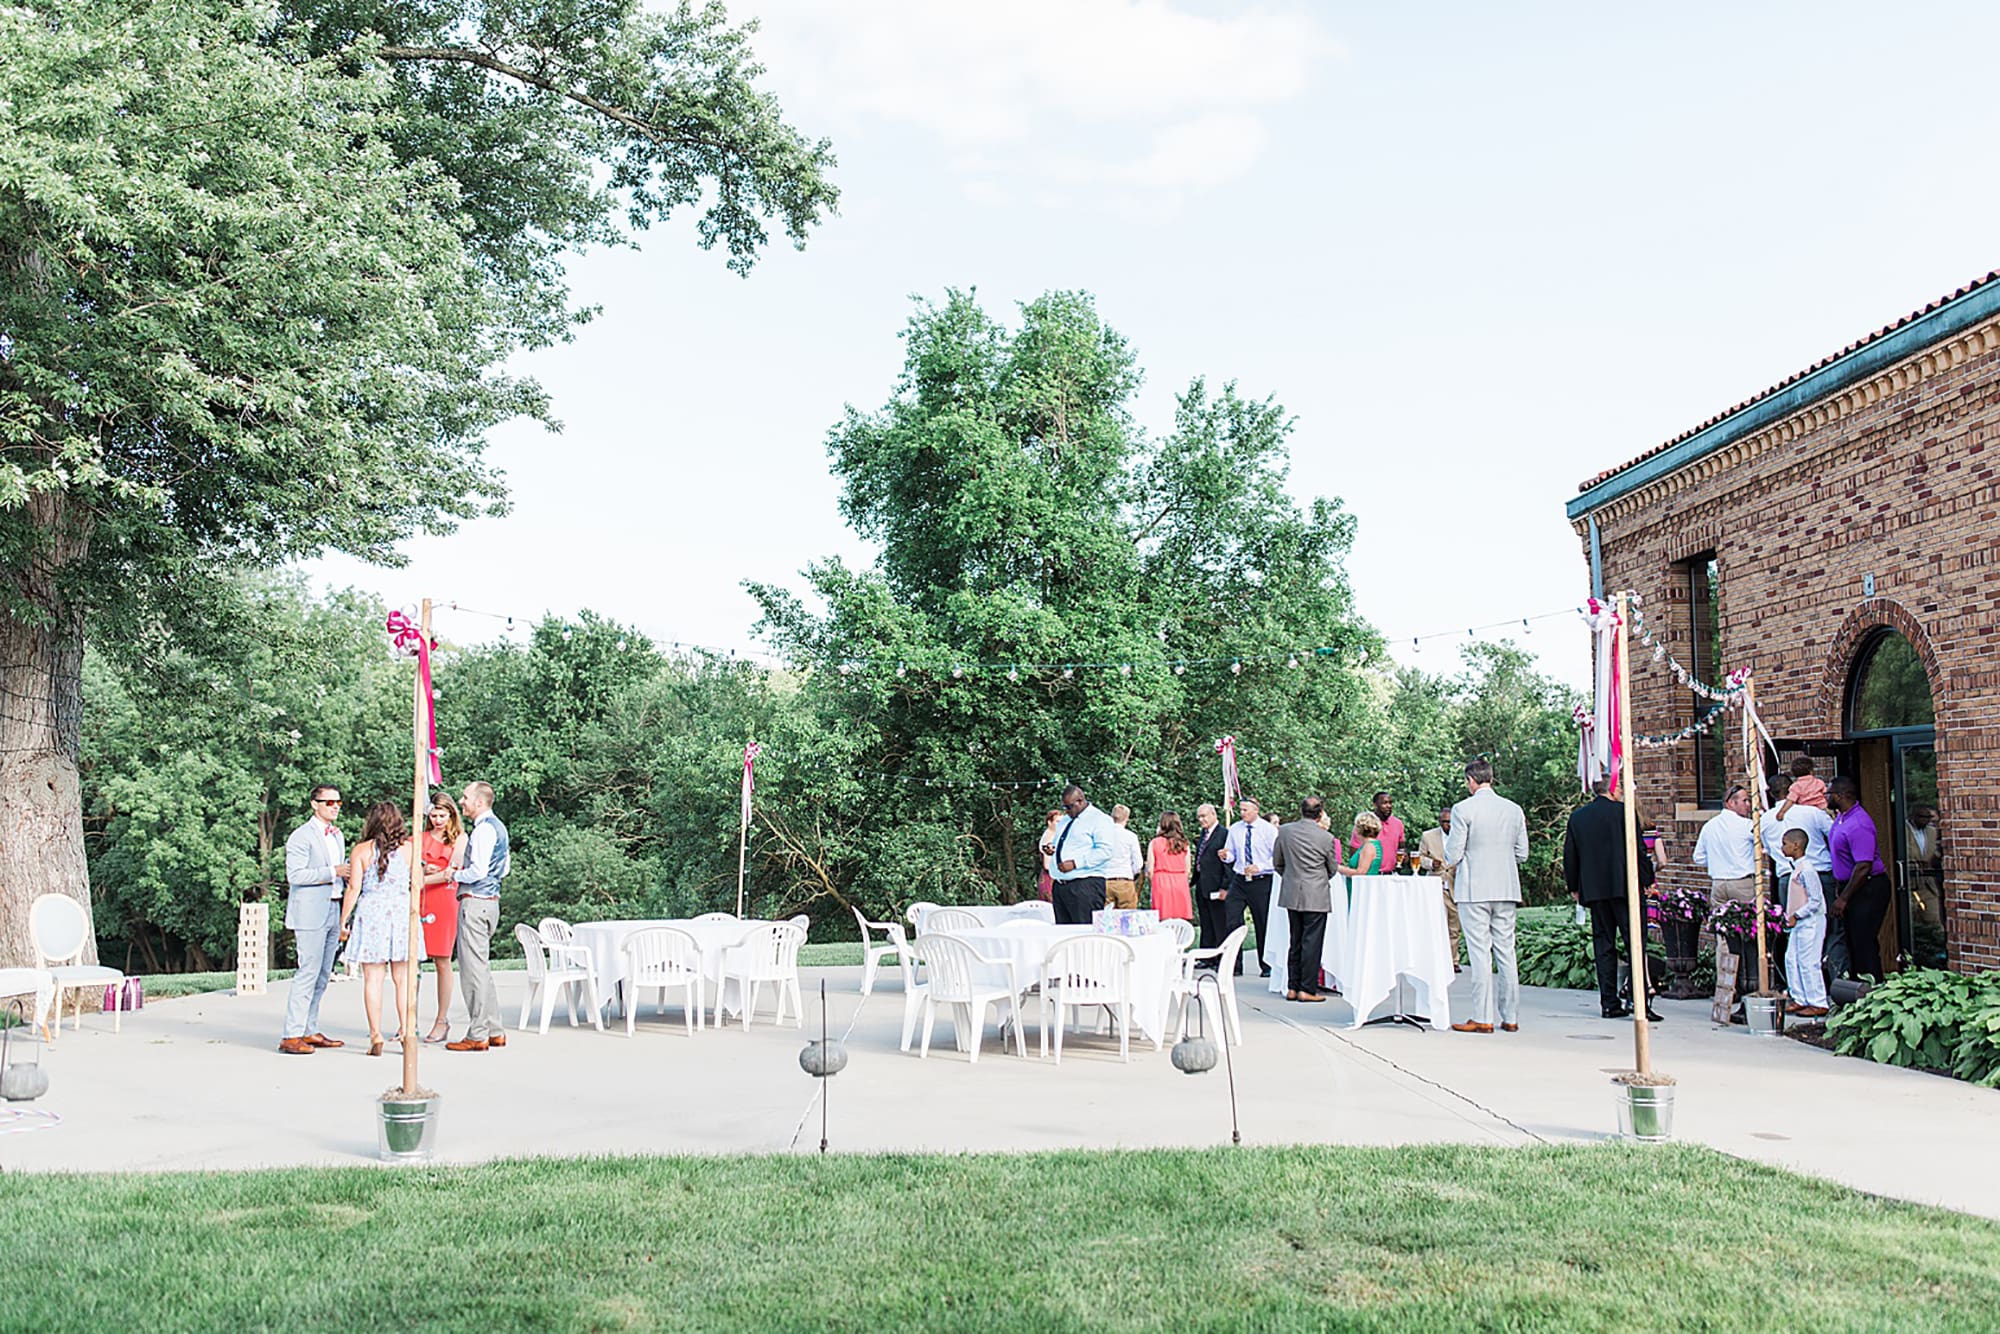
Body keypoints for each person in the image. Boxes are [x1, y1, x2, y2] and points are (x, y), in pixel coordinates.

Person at [1561, 779, 1662, 1022]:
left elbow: (1570, 855)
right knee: (1635, 944)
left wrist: (1574, 886)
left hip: (1595, 889)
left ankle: (1609, 1002)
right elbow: (1639, 851)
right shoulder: (1623, 813)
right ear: (1613, 789)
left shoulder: (1578, 817)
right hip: (1626, 886)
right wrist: (1648, 881)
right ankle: (1641, 1003)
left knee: (1603, 946)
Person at [1446, 758, 1529, 1035]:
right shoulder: (1514, 809)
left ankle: (1483, 1016)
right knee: (1506, 951)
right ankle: (1511, 1016)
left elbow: (1453, 853)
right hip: (1506, 886)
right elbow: (1522, 854)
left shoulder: (1463, 809)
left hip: (1474, 889)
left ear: (1471, 779)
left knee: (1480, 952)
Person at [337, 802, 414, 1057]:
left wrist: (343, 919)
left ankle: (375, 1035)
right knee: (402, 980)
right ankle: (406, 1031)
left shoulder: (361, 850)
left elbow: (353, 888)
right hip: (401, 914)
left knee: (373, 979)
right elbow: (418, 885)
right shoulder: (409, 849)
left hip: (371, 914)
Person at [279, 784, 349, 1055]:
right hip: (309, 912)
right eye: (328, 802)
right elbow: (295, 876)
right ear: (314, 804)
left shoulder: (337, 835)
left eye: (338, 802)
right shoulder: (301, 836)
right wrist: (333, 871)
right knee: (307, 971)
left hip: (333, 907)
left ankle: (309, 1029)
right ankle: (291, 1034)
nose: (334, 806)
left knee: (322, 974)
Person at [446, 780, 512, 1051]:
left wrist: (454, 874)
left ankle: (478, 1034)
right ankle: (495, 1030)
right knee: (482, 969)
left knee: (472, 971)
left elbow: (478, 871)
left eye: (465, 798)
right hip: (491, 902)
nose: (462, 802)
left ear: (480, 802)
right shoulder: (499, 827)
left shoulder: (484, 830)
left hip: (475, 902)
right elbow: (504, 868)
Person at [1272, 797, 1338, 1003]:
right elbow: (1332, 868)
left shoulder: (1285, 831)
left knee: (1295, 939)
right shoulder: (1325, 837)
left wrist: (1292, 877)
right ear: (1320, 814)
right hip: (1316, 892)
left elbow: (1278, 862)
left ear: (1301, 811)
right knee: (1312, 942)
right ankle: (1307, 989)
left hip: (1292, 890)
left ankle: (1292, 986)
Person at [1828, 775, 1891, 982]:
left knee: (1864, 941)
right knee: (1853, 941)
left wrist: (1844, 898)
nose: (1826, 797)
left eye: (1830, 793)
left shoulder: (1858, 823)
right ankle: (1856, 987)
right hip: (1850, 886)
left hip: (1868, 887)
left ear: (1841, 795)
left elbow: (1864, 866)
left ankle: (1873, 986)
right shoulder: (1842, 817)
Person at [418, 794, 468, 1044]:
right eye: (433, 815)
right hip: (420, 898)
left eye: (442, 815)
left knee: (442, 960)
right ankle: (408, 1021)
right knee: (410, 960)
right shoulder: (419, 838)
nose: (437, 820)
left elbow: (453, 872)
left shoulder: (459, 839)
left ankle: (442, 1019)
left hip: (444, 899)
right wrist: (421, 872)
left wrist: (419, 880)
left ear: (451, 816)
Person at [1219, 798, 1278, 978]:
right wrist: (1225, 855)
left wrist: (1260, 866)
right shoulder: (1235, 829)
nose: (1242, 813)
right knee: (1232, 918)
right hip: (1240, 879)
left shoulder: (1268, 830)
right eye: (1241, 810)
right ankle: (1234, 964)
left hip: (1261, 879)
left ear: (1255, 810)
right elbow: (1231, 854)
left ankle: (1266, 965)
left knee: (1262, 922)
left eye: (1245, 810)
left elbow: (1276, 858)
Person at [1047, 784, 1118, 926]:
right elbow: (1062, 843)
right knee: (1063, 935)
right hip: (1061, 885)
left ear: (1080, 801)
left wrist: (1075, 863)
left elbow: (1105, 851)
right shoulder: (1065, 821)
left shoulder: (1099, 819)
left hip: (1085, 885)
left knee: (1084, 933)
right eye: (1064, 807)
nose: (1066, 811)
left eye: (1069, 807)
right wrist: (1051, 848)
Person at [1780, 828, 1829, 1017]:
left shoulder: (1807, 870)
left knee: (1809, 961)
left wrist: (1797, 914)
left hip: (1811, 921)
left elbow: (1815, 900)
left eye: (1785, 843)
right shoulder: (1796, 868)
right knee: (1791, 959)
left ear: (1796, 845)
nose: (1782, 847)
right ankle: (1799, 997)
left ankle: (1817, 1001)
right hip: (1798, 922)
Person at [1692, 785, 1758, 910]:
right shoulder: (1747, 825)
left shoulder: (1709, 826)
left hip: (1718, 883)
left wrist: (1717, 862)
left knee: (1720, 923)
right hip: (1741, 882)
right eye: (1744, 801)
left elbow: (1698, 857)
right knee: (1746, 924)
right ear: (1731, 803)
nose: (1748, 804)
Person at [1416, 808, 1462, 970]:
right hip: (1435, 884)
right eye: (1443, 821)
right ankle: (1433, 959)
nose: (1447, 825)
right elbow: (1420, 857)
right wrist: (1430, 864)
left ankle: (1453, 961)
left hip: (1455, 884)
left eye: (1449, 821)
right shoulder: (1428, 836)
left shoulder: (1461, 835)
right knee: (1434, 923)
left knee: (1454, 926)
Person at [1191, 803, 1234, 958]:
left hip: (1217, 885)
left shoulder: (1224, 834)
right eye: (1199, 817)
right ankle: (1206, 956)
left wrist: (1225, 887)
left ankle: (1221, 956)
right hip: (1203, 884)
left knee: (1219, 923)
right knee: (1206, 923)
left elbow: (1228, 864)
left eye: (1204, 816)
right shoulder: (1203, 834)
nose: (1201, 820)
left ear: (1213, 815)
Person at [1146, 812, 1193, 922]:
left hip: (1161, 881)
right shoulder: (1184, 844)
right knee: (1181, 919)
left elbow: (1150, 869)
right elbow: (1187, 869)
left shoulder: (1154, 843)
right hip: (1180, 881)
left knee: (1162, 919)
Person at [1351, 791, 1405, 868]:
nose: (1389, 806)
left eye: (1390, 803)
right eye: (1384, 803)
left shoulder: (1398, 824)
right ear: (1375, 805)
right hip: (1369, 875)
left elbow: (1401, 849)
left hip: (1391, 875)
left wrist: (1404, 858)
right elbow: (1354, 853)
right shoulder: (1364, 823)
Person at [1106, 805, 1144, 911]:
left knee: (1105, 918)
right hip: (1124, 879)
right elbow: (1138, 863)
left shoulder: (1103, 835)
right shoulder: (1131, 836)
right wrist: (1131, 873)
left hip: (1106, 880)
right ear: (1127, 818)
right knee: (1127, 917)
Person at [1337, 812, 1386, 877]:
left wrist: (1338, 868)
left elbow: (1361, 873)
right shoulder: (1375, 844)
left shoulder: (1369, 847)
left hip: (1361, 886)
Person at [1036, 809, 1061, 902]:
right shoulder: (1049, 838)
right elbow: (1047, 865)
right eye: (1057, 821)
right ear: (1050, 822)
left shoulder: (1054, 835)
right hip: (1049, 880)